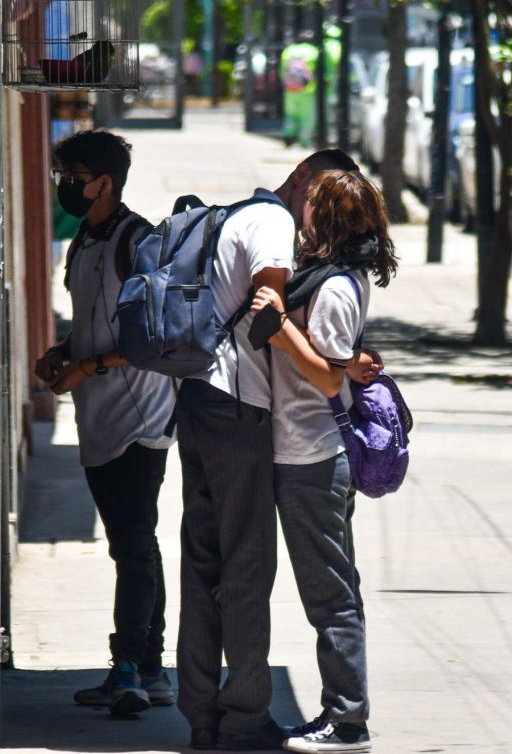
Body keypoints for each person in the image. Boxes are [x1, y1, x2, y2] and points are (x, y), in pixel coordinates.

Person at [175, 148, 361, 752]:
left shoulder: (234, 216)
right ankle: (247, 715)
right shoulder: (277, 224)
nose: (324, 222)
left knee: (202, 565)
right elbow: (269, 314)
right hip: (239, 410)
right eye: (324, 204)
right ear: (305, 179)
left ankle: (203, 715)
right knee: (246, 569)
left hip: (198, 399)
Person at [248, 169, 397, 754]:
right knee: (335, 591)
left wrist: (282, 329)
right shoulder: (331, 279)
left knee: (330, 596)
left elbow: (326, 375)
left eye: (311, 204)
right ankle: (341, 712)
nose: (300, 211)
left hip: (311, 456)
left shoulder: (334, 287)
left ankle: (348, 721)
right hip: (305, 453)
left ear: (325, 218)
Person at [34, 130, 176, 716]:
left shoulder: (136, 242)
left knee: (134, 543)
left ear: (105, 182)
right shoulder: (86, 241)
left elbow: (158, 336)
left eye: (75, 174)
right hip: (96, 413)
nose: (66, 184)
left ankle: (130, 668)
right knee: (133, 543)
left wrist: (88, 365)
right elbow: (95, 320)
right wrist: (64, 351)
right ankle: (149, 666)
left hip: (139, 417)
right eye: (62, 173)